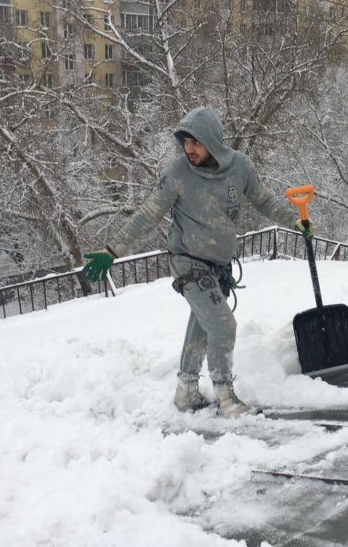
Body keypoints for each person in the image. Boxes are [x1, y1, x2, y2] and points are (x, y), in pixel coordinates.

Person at [82, 107, 313, 417]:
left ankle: (187, 391)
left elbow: (262, 198)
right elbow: (149, 214)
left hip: (219, 264)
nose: (189, 149)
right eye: (185, 142)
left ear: (213, 142)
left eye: (196, 142)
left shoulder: (239, 167)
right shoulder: (177, 174)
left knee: (202, 327)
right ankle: (226, 397)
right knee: (221, 323)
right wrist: (112, 251)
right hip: (187, 261)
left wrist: (293, 222)